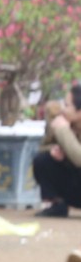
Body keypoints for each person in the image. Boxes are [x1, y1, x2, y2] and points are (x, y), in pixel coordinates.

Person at [32, 87, 81, 217]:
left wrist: (63, 131)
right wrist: (54, 150)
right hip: (74, 187)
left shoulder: (63, 127)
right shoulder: (63, 121)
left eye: (67, 105)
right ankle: (56, 205)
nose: (63, 109)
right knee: (43, 160)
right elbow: (41, 148)